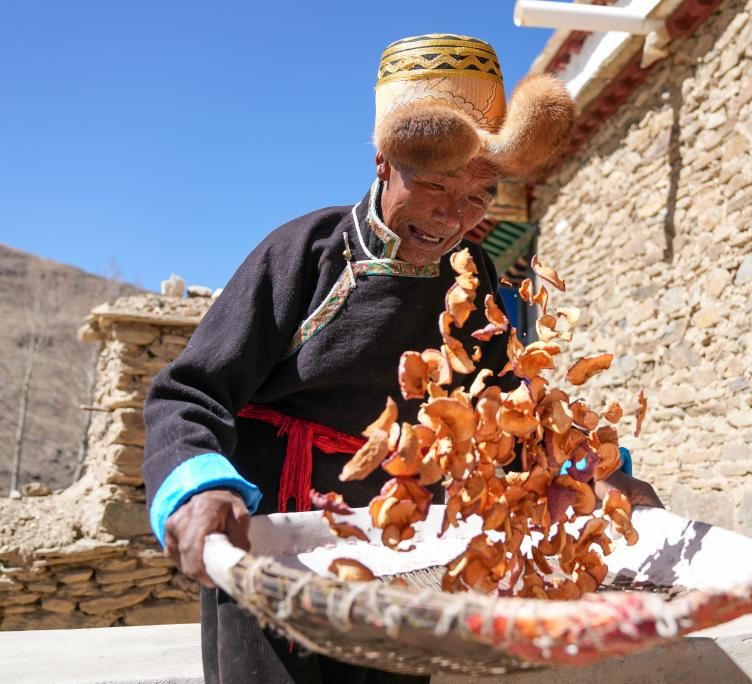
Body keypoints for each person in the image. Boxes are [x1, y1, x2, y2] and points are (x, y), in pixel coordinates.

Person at [142, 34, 662, 684]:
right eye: (435, 184)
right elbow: (189, 395)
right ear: (384, 162)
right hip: (277, 547)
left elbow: (509, 413)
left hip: (407, 548)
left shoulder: (472, 275)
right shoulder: (305, 253)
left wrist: (591, 473)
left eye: (480, 195)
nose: (452, 217)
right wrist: (201, 488)